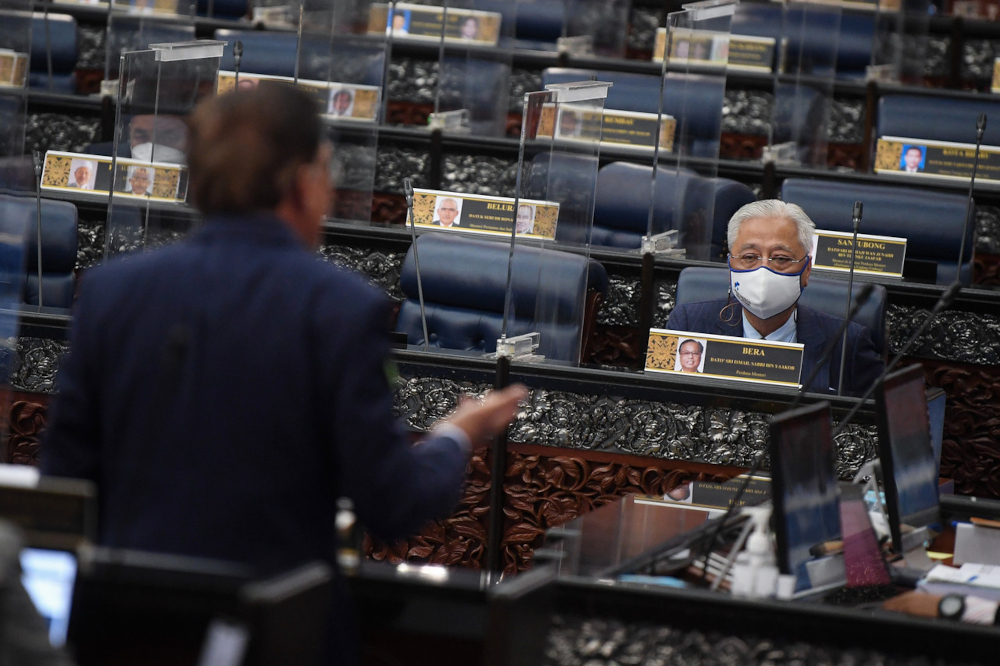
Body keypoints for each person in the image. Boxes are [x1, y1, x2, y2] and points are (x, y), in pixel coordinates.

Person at [41, 84, 526, 665]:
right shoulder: (340, 308)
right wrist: (458, 435)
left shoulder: (110, 292)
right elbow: (393, 503)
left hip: (122, 638)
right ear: (301, 180)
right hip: (274, 637)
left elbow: (62, 488)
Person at [666, 200, 883, 396]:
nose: (763, 271)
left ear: (806, 271)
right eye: (750, 257)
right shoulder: (688, 324)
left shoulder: (847, 343)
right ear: (730, 265)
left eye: (780, 258)